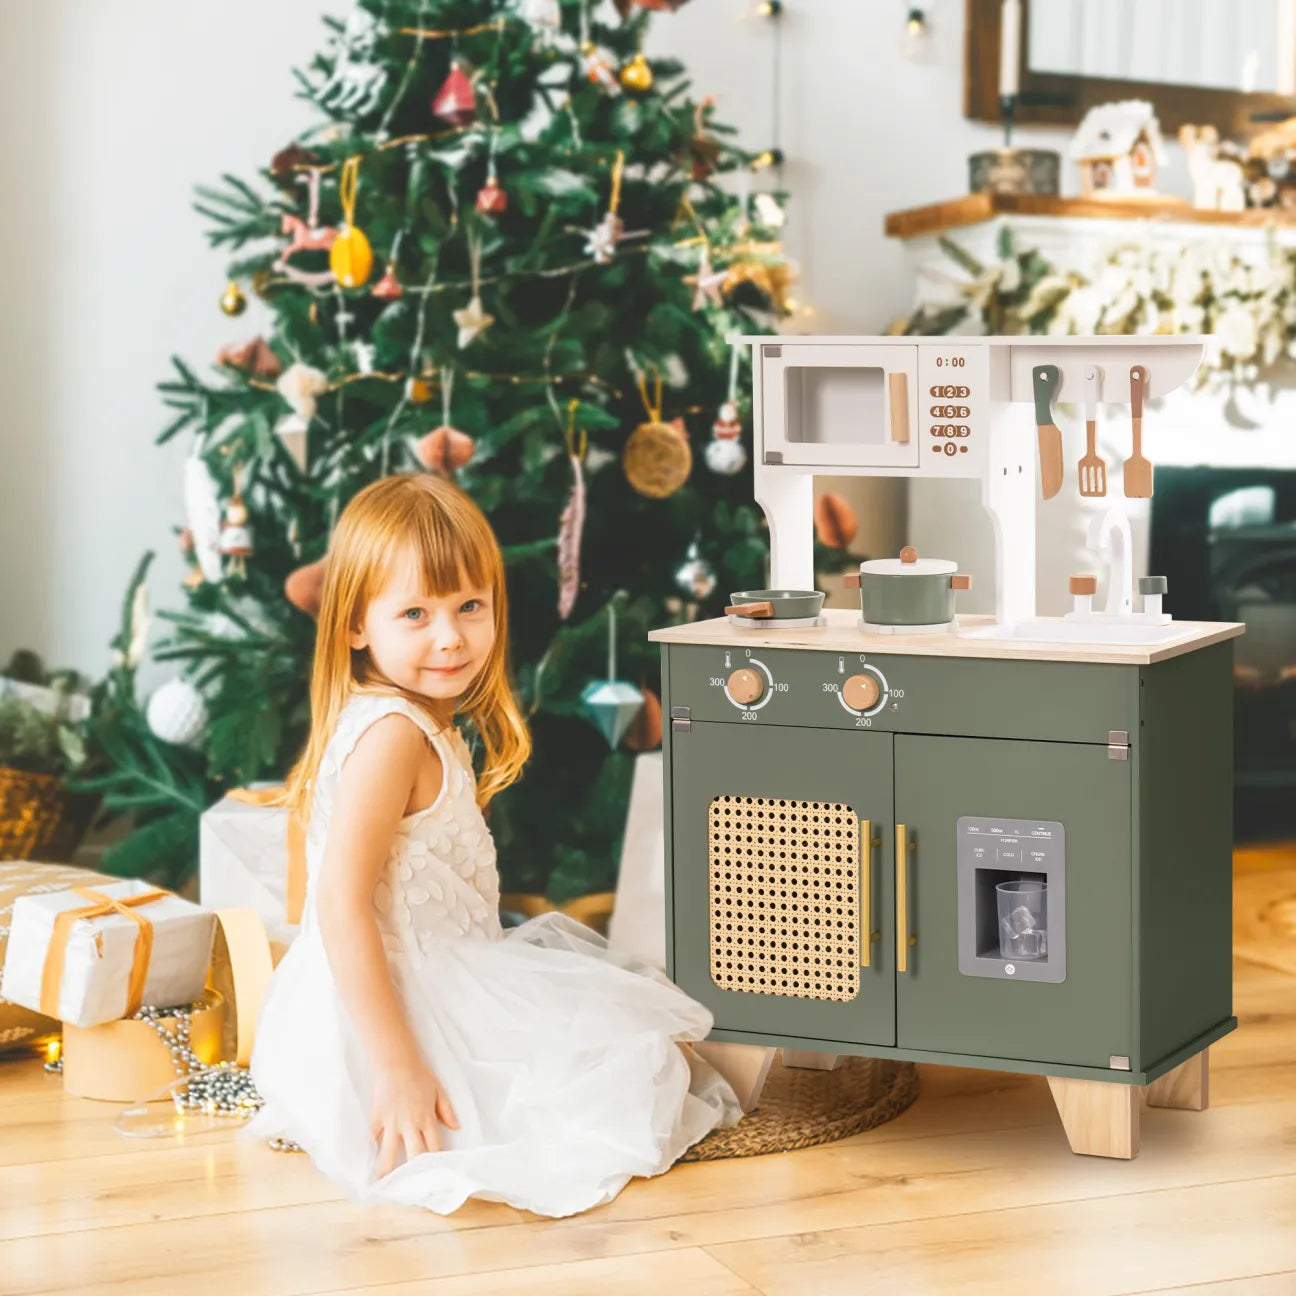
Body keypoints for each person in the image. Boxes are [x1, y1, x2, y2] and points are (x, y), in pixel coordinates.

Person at [243, 473, 741, 1217]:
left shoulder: (416, 720)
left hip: (446, 969)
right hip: (396, 1004)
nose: (450, 637)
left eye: (469, 606)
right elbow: (339, 904)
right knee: (625, 1082)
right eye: (414, 613)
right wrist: (397, 1065)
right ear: (355, 625)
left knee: (639, 1045)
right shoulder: (390, 736)